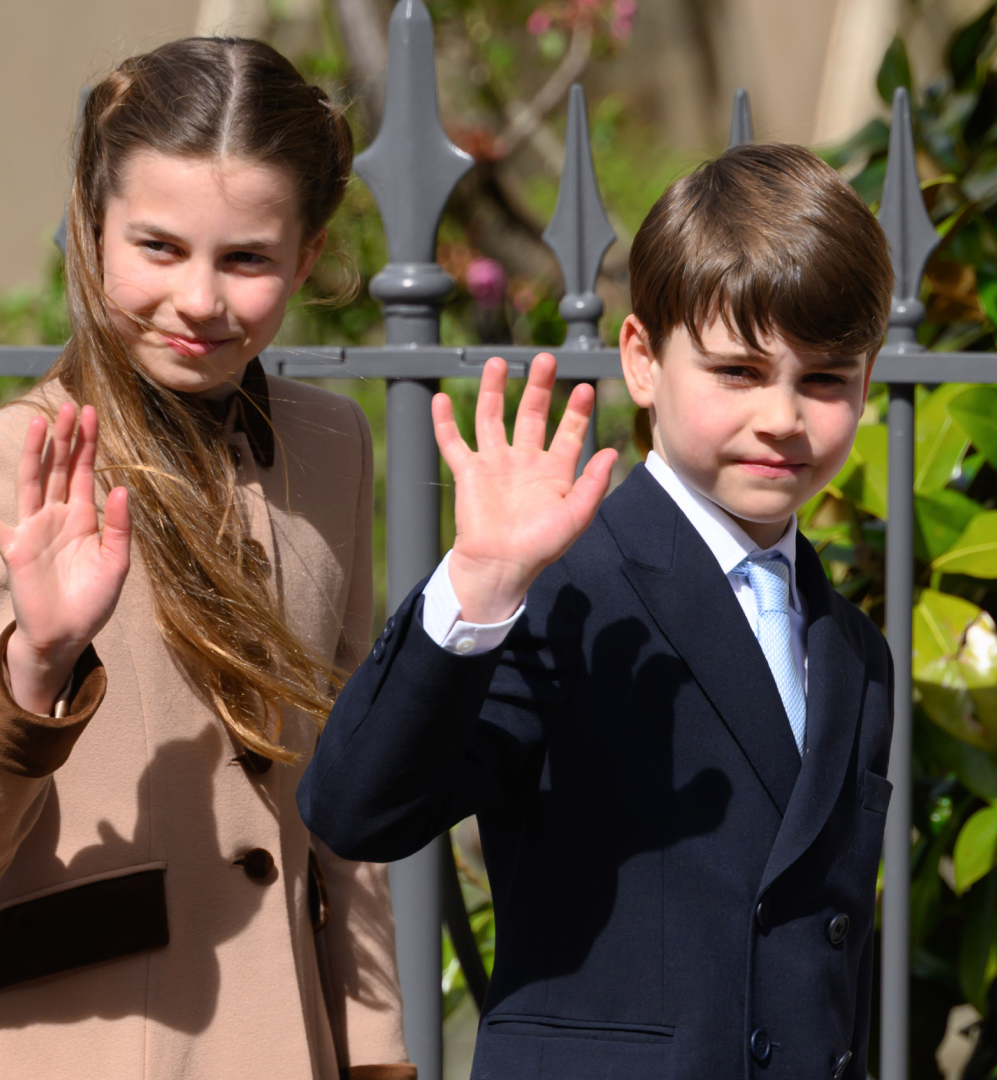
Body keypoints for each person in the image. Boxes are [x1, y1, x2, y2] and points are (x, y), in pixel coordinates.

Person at [298, 143, 895, 1080]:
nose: (784, 416)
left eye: (824, 379)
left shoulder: (855, 650)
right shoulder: (562, 586)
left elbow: (829, 965)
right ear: (643, 361)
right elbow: (355, 808)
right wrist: (479, 587)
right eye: (738, 372)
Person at [0, 38, 412, 1080]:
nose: (199, 301)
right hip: (61, 1046)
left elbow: (340, 777)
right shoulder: (13, 462)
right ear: (92, 233)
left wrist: (373, 1055)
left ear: (309, 256)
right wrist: (34, 667)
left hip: (282, 1040)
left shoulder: (330, 446)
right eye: (158, 247)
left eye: (245, 259)